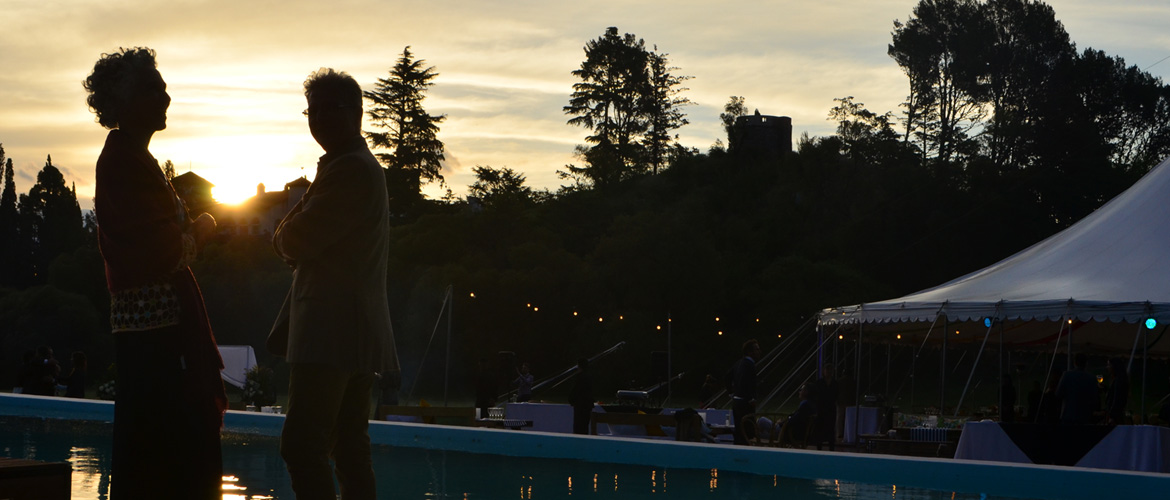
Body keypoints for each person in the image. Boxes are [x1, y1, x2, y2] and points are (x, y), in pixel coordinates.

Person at [85, 46, 226, 499]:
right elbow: (160, 251)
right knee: (168, 453)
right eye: (153, 89)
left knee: (161, 452)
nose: (165, 98)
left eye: (164, 88)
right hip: (155, 338)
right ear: (122, 100)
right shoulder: (123, 163)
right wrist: (202, 229)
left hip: (154, 333)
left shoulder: (133, 160)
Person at [268, 68, 398, 500]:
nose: (319, 119)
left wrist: (286, 239)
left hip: (332, 330)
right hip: (353, 329)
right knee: (349, 448)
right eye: (313, 111)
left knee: (302, 446)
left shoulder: (349, 170)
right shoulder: (348, 165)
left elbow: (292, 239)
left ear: (357, 113)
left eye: (330, 109)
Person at [729, 339, 762, 445]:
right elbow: (748, 382)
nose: (759, 352)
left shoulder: (738, 363)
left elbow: (727, 377)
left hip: (736, 402)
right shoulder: (750, 365)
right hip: (746, 404)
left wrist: (732, 393)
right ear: (750, 352)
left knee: (739, 430)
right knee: (748, 432)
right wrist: (751, 398)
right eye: (756, 349)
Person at [1055, 353, 1098, 424]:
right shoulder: (1091, 378)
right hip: (1085, 416)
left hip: (1069, 415)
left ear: (1075, 362)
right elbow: (1095, 398)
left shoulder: (1067, 375)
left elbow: (1058, 394)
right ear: (1086, 363)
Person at [810, 362, 838, 451]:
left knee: (831, 428)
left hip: (831, 408)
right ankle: (819, 447)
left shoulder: (835, 383)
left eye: (830, 370)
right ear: (824, 371)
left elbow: (837, 394)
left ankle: (831, 447)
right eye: (827, 370)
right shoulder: (819, 383)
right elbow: (815, 394)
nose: (829, 372)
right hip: (821, 408)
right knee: (820, 428)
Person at [569, 358, 594, 435]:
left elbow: (575, 390)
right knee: (585, 426)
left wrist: (571, 400)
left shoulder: (579, 377)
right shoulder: (589, 377)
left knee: (578, 427)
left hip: (579, 406)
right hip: (587, 405)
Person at [1102, 357, 1128, 425]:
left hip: (1115, 416)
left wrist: (1112, 416)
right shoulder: (1119, 379)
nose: (1107, 367)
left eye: (1109, 365)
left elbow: (1117, 398)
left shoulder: (1118, 380)